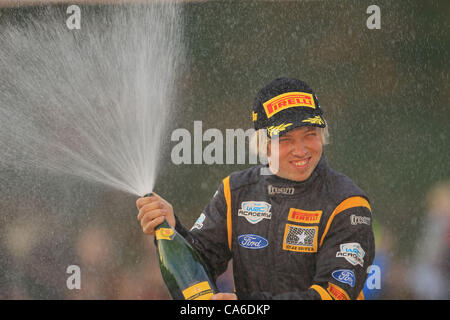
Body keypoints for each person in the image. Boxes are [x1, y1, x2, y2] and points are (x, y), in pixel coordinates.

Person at [137, 78, 375, 300]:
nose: (301, 150)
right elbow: (200, 264)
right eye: (285, 139)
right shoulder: (235, 191)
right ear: (264, 144)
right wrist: (171, 231)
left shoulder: (348, 203)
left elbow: (333, 294)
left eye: (310, 135)